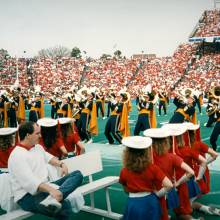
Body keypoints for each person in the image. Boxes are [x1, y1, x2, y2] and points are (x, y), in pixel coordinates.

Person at [8, 121, 83, 219]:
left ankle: (57, 196)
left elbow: (50, 158)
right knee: (64, 207)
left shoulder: (38, 147)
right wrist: (52, 190)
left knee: (77, 174)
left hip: (45, 187)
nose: (40, 136)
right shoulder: (17, 155)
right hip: (26, 196)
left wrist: (62, 164)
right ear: (27, 135)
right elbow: (31, 182)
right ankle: (57, 196)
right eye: (37, 133)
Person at [144, 127, 194, 220]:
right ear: (166, 142)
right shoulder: (172, 157)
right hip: (168, 190)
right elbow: (191, 172)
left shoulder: (146, 159)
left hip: (152, 193)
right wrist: (178, 183)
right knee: (178, 213)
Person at [119, 136, 173, 220]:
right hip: (150, 202)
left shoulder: (124, 171)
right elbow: (169, 185)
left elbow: (126, 190)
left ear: (127, 153)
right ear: (146, 152)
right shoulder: (152, 168)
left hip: (133, 203)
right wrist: (158, 194)